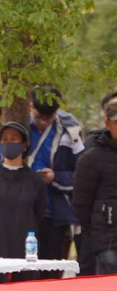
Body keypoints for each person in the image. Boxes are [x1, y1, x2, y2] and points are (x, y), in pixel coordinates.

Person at [28, 87, 83, 267]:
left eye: (48, 118)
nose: (43, 123)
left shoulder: (70, 132)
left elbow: (81, 176)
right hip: (24, 213)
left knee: (52, 270)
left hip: (55, 214)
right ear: (30, 107)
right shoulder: (18, 128)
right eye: (38, 118)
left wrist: (55, 178)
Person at [0, 121, 46, 276]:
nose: (8, 143)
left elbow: (39, 213)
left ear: (24, 145)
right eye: (4, 139)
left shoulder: (35, 180)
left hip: (26, 250)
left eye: (13, 139)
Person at [73, 95, 117, 275]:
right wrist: (101, 229)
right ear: (108, 125)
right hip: (109, 242)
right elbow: (81, 204)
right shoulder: (90, 159)